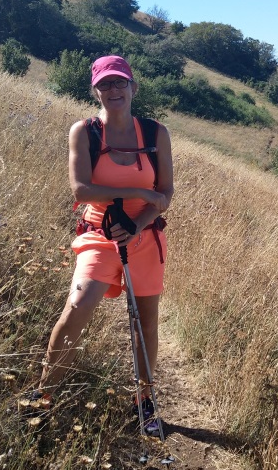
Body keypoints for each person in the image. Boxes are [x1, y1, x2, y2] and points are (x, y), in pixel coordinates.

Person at [32, 55, 173, 436]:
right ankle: (43, 395)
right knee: (77, 307)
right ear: (95, 91)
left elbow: (165, 194)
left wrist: (138, 223)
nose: (113, 90)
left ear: (133, 87)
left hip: (145, 237)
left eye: (119, 82)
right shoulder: (85, 132)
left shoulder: (155, 133)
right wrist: (139, 193)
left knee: (145, 323)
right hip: (99, 234)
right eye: (105, 84)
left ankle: (144, 401)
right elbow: (81, 190)